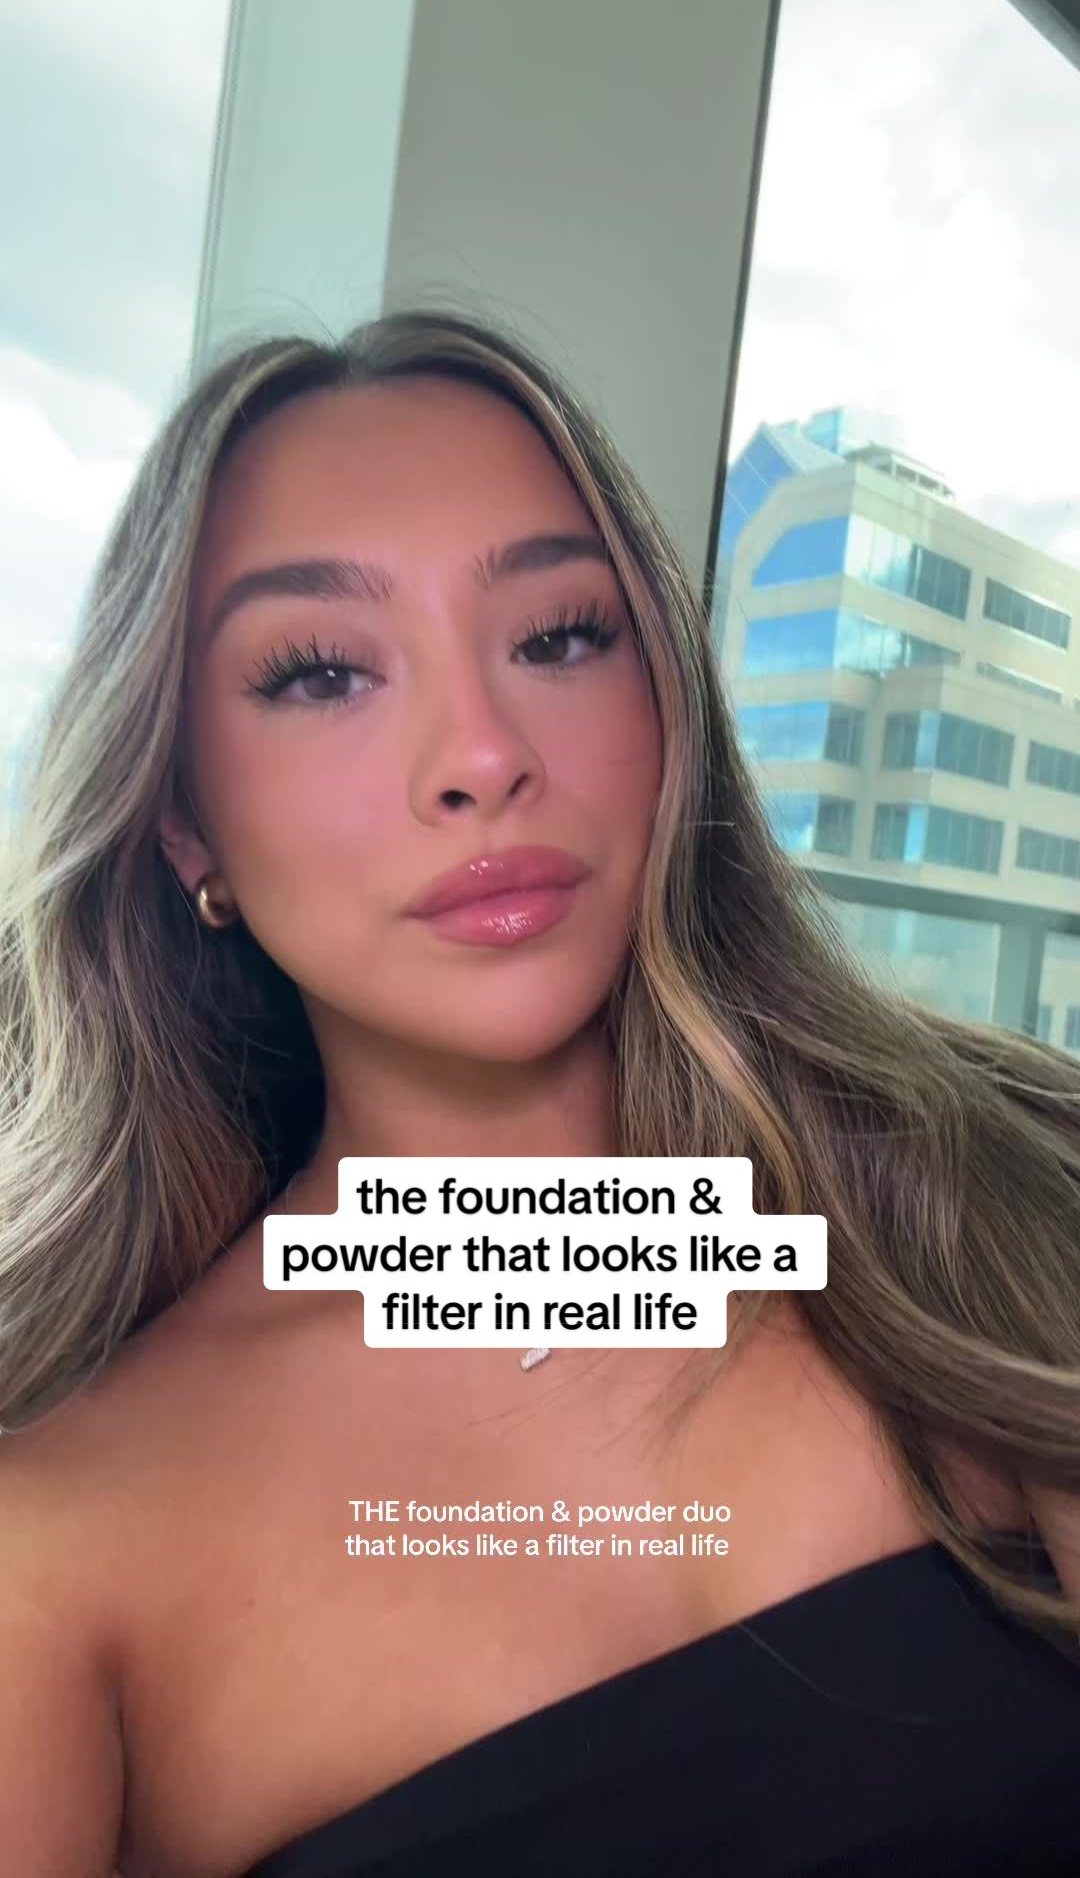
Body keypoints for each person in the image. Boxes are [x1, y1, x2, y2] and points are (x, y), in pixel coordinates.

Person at [0, 308, 1077, 1878]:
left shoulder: (1013, 1204)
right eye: (320, 672)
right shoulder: (57, 1547)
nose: (483, 755)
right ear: (184, 826)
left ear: (669, 713)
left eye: (561, 637)